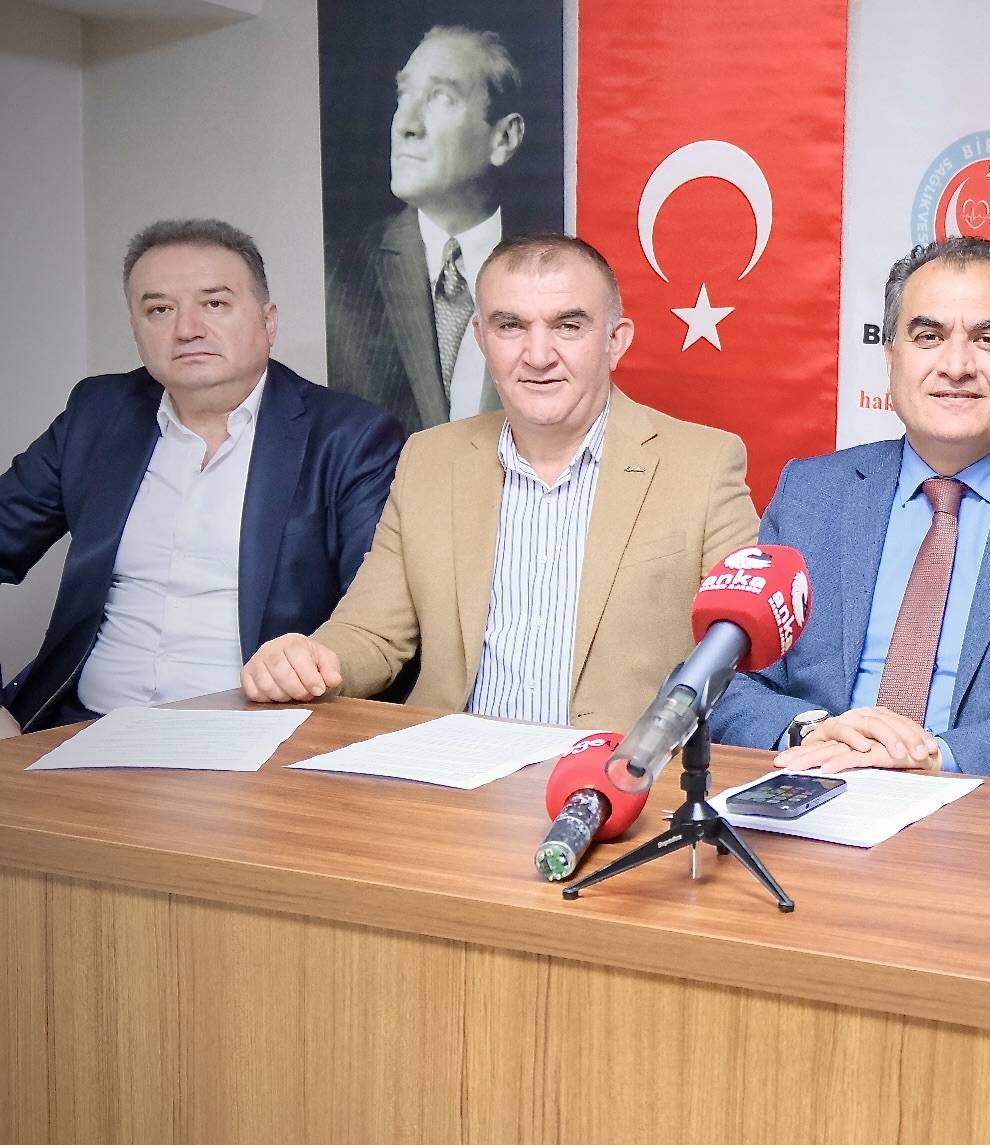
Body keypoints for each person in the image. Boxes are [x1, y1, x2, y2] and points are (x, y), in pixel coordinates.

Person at [242, 233, 758, 732]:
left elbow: (745, 657)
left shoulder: (704, 465)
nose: (538, 355)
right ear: (481, 339)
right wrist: (309, 658)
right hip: (451, 766)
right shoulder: (429, 459)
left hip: (617, 772)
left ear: (614, 340)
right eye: (511, 326)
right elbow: (371, 632)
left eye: (568, 326)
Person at [709, 237, 990, 787]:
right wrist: (810, 730)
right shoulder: (811, 494)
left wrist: (936, 756)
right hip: (811, 790)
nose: (956, 366)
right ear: (891, 358)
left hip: (982, 814)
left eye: (988, 339)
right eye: (928, 336)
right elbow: (722, 682)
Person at [0, 218, 403, 732]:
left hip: (254, 735)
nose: (186, 329)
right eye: (159, 309)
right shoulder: (97, 414)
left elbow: (373, 620)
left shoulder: (350, 437)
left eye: (214, 304)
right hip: (78, 727)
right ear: (135, 328)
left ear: (268, 321)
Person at [326, 24, 530, 433]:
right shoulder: (335, 273)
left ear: (504, 138)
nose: (405, 125)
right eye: (404, 95)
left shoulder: (558, 270)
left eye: (440, 97)